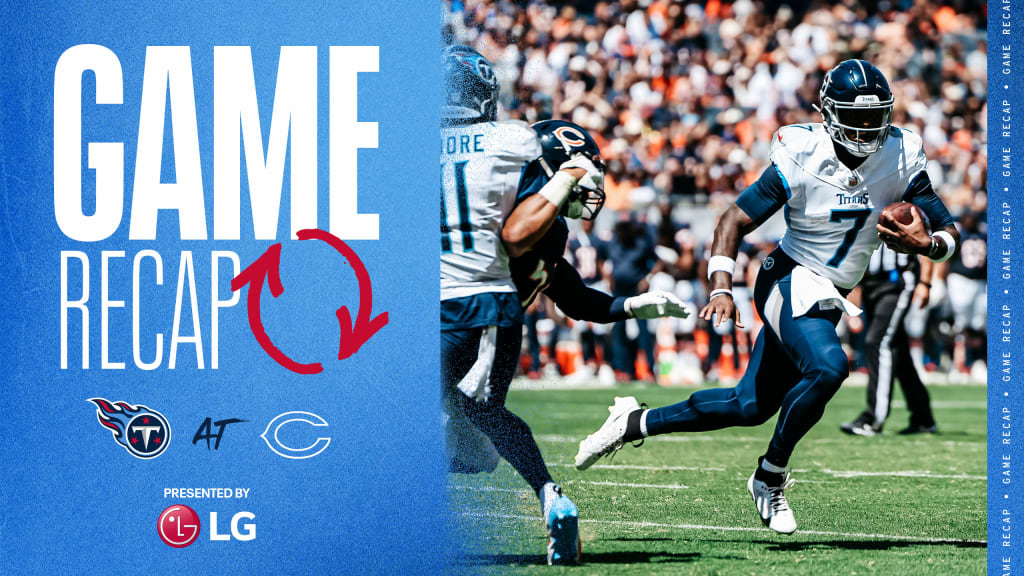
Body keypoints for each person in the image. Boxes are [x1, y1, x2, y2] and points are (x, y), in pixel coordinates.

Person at [573, 60, 961, 535]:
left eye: (873, 116)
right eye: (854, 117)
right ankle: (769, 476)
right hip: (788, 275)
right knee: (830, 366)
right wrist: (720, 286)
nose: (865, 128)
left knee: (749, 405)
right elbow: (734, 220)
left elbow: (947, 230)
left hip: (830, 293)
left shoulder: (901, 154)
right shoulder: (802, 152)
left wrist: (930, 247)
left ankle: (635, 422)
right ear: (827, 112)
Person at [440, 46, 603, 565]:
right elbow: (525, 224)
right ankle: (551, 497)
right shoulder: (512, 138)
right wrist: (569, 182)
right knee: (479, 423)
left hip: (435, 303)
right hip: (492, 301)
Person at [840, 245, 938, 436]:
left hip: (897, 281)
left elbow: (924, 243)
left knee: (877, 342)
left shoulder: (906, 213)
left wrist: (925, 282)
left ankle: (873, 419)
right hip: (869, 284)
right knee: (899, 354)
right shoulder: (866, 214)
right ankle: (923, 418)